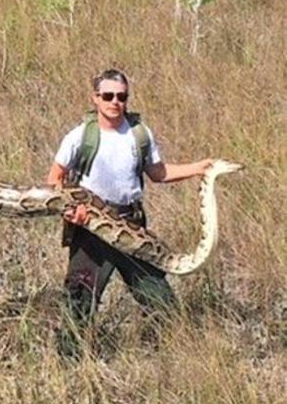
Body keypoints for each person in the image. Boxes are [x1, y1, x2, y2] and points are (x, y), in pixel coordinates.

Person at [46, 68, 212, 352]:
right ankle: (70, 367)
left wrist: (199, 168)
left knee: (159, 298)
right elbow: (55, 179)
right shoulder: (80, 136)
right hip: (91, 229)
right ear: (95, 98)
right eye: (108, 96)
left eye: (121, 96)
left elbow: (158, 173)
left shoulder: (139, 133)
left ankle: (173, 354)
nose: (115, 102)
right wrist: (72, 211)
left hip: (131, 226)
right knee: (79, 302)